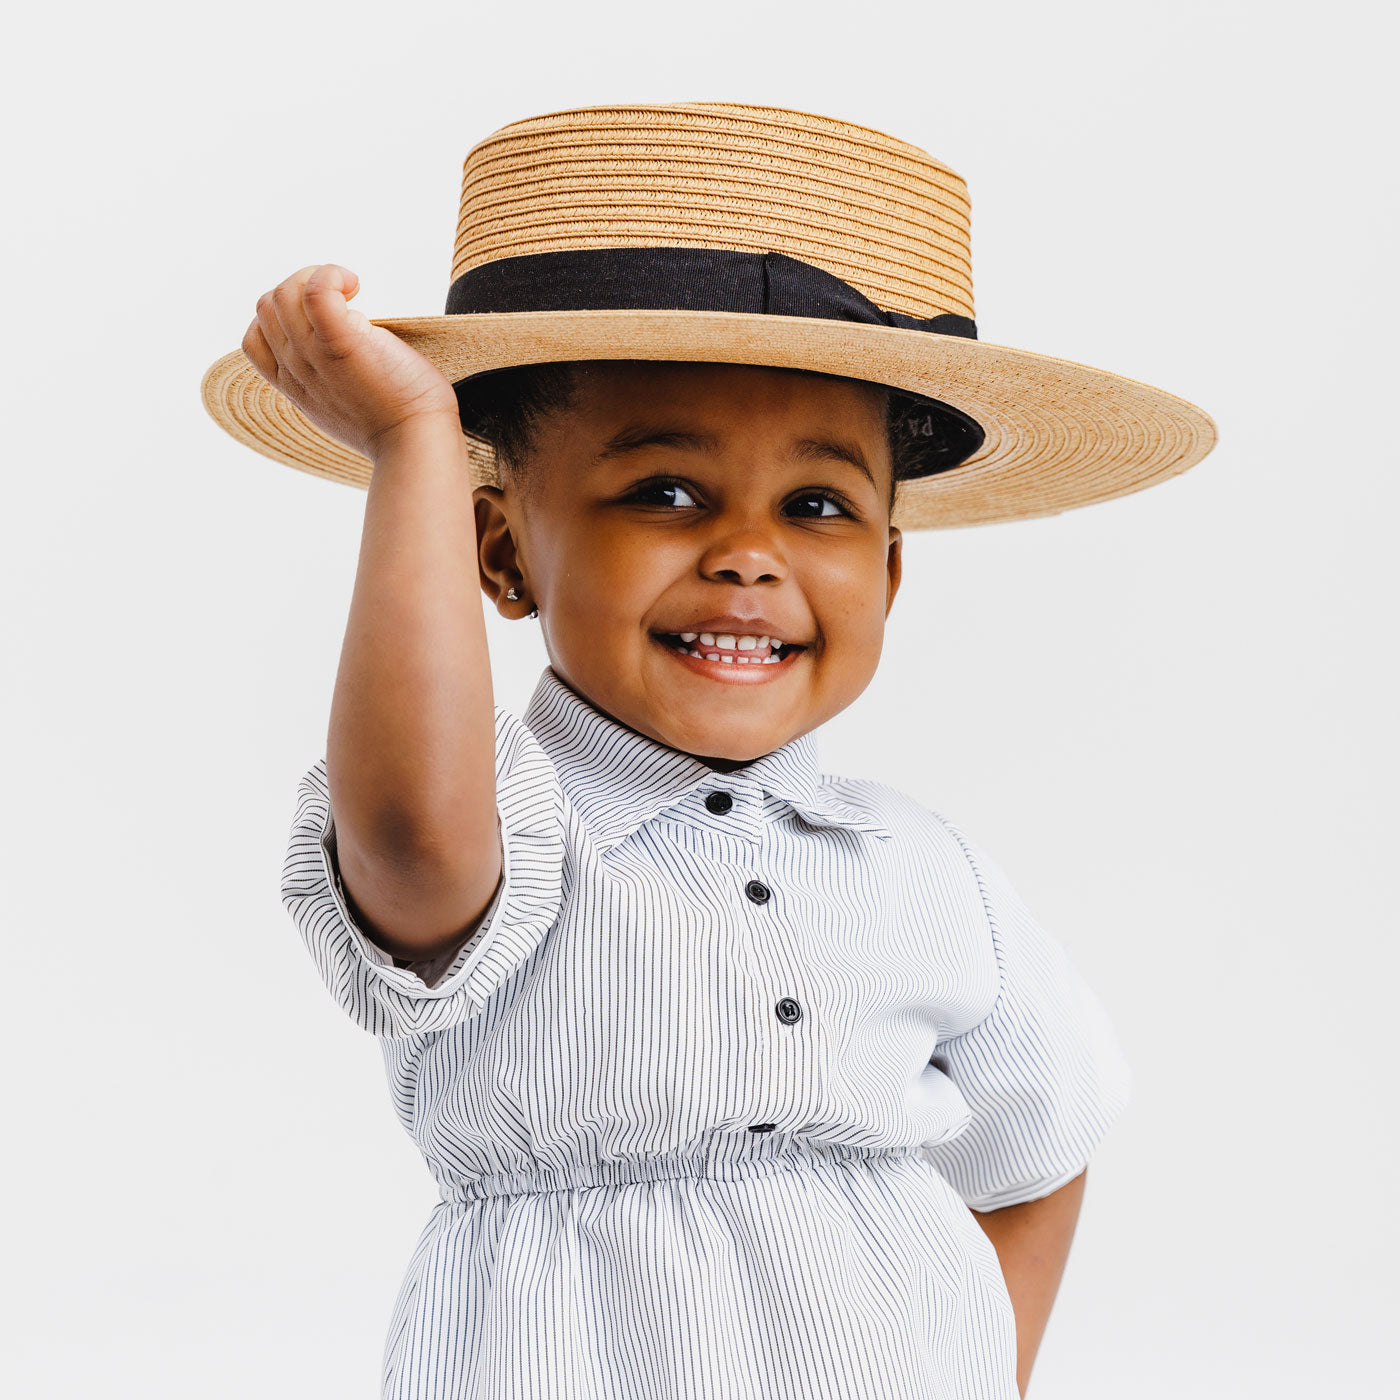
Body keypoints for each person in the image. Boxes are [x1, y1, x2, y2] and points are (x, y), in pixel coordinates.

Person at [204, 104, 1215, 1400]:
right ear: (499, 551)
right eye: (667, 492)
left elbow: (1042, 1143)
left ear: (890, 574)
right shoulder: (500, 828)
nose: (748, 555)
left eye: (818, 505)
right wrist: (413, 448)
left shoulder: (926, 870)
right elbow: (406, 842)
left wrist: (984, 1367)